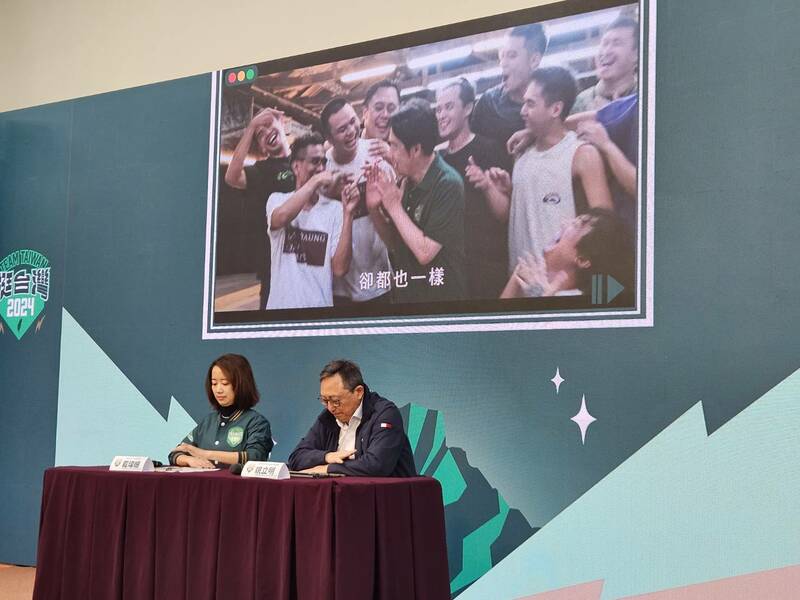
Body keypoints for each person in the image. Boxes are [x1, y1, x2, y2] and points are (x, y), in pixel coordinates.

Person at [483, 67, 613, 274]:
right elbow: (521, 216)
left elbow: (606, 230)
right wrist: (507, 191)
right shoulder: (521, 154)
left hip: (561, 287)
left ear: (555, 109)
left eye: (530, 104)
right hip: (520, 283)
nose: (522, 111)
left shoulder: (582, 154)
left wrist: (593, 287)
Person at [366, 98, 467, 303]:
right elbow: (395, 244)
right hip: (408, 297)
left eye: (394, 146)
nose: (390, 153)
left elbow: (424, 253)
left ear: (416, 150)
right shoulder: (407, 180)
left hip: (440, 302)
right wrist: (374, 208)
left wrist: (393, 206)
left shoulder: (448, 184)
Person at [436, 78, 511, 299]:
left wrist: (487, 185)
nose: (441, 115)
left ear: (468, 108)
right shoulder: (438, 159)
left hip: (486, 271)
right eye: (438, 109)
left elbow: (505, 214)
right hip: (451, 272)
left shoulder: (489, 149)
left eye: (449, 107)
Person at [265, 132, 358, 309]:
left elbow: (339, 269)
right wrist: (315, 181)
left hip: (318, 311)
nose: (321, 168)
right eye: (315, 161)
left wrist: (348, 214)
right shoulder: (277, 200)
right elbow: (281, 218)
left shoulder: (335, 210)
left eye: (324, 162)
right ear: (296, 167)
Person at [319, 98, 393, 304]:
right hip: (339, 288)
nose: (351, 131)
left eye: (353, 122)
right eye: (342, 129)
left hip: (378, 281)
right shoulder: (322, 167)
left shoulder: (376, 153)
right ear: (329, 138)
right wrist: (330, 196)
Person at [287, 359, 416, 476]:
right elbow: (296, 457)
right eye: (325, 400)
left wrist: (328, 469)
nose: (330, 408)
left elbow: (377, 464)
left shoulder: (385, 414)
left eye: (336, 401)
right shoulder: (329, 416)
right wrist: (327, 456)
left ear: (358, 392)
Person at [223, 107, 295, 308]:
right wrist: (251, 127)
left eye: (269, 125)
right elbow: (231, 177)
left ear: (283, 124)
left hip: (307, 259)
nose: (266, 133)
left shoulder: (303, 157)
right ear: (262, 148)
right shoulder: (261, 171)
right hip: (273, 266)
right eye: (260, 134)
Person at [501, 208, 633, 299]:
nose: (563, 223)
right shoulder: (531, 280)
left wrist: (539, 298)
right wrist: (516, 279)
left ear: (582, 259)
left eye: (576, 225)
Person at [169, 354, 273, 467]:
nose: (218, 390)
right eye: (214, 383)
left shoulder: (256, 422)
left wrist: (205, 454)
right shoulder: (208, 421)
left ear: (242, 384)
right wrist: (189, 460)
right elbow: (175, 453)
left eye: (225, 383)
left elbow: (255, 457)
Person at [471, 23, 548, 148]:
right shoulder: (488, 103)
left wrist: (533, 133)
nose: (503, 63)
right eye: (502, 56)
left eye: (512, 55)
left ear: (534, 60)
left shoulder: (553, 98)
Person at [571, 17, 638, 114]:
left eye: (616, 43)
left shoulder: (646, 98)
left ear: (636, 54)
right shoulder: (579, 104)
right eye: (604, 43)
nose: (606, 51)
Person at [361, 79, 401, 162]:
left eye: (391, 109)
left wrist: (393, 159)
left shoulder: (406, 151)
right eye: (379, 108)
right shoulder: (349, 146)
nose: (385, 115)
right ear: (365, 112)